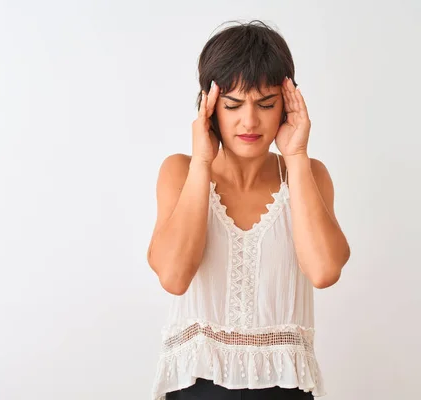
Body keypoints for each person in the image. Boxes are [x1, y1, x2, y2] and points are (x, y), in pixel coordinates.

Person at [146, 20, 351, 400]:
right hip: (195, 388)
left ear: (287, 105)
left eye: (267, 103)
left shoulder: (308, 174)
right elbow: (174, 277)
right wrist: (202, 164)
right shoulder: (179, 170)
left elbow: (323, 271)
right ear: (209, 107)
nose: (250, 121)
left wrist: (297, 156)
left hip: (284, 389)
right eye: (233, 104)